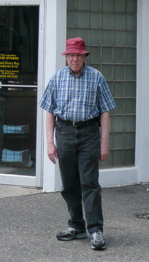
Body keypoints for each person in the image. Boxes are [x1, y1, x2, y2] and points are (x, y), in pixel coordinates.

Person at [39, 37, 115, 251]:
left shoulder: (96, 77)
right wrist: (50, 143)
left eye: (78, 55)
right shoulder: (57, 78)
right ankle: (76, 225)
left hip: (89, 133)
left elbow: (105, 112)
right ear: (67, 57)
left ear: (84, 56)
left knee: (90, 183)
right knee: (70, 184)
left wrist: (104, 144)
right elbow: (49, 112)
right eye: (71, 55)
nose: (74, 59)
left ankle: (96, 230)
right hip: (64, 132)